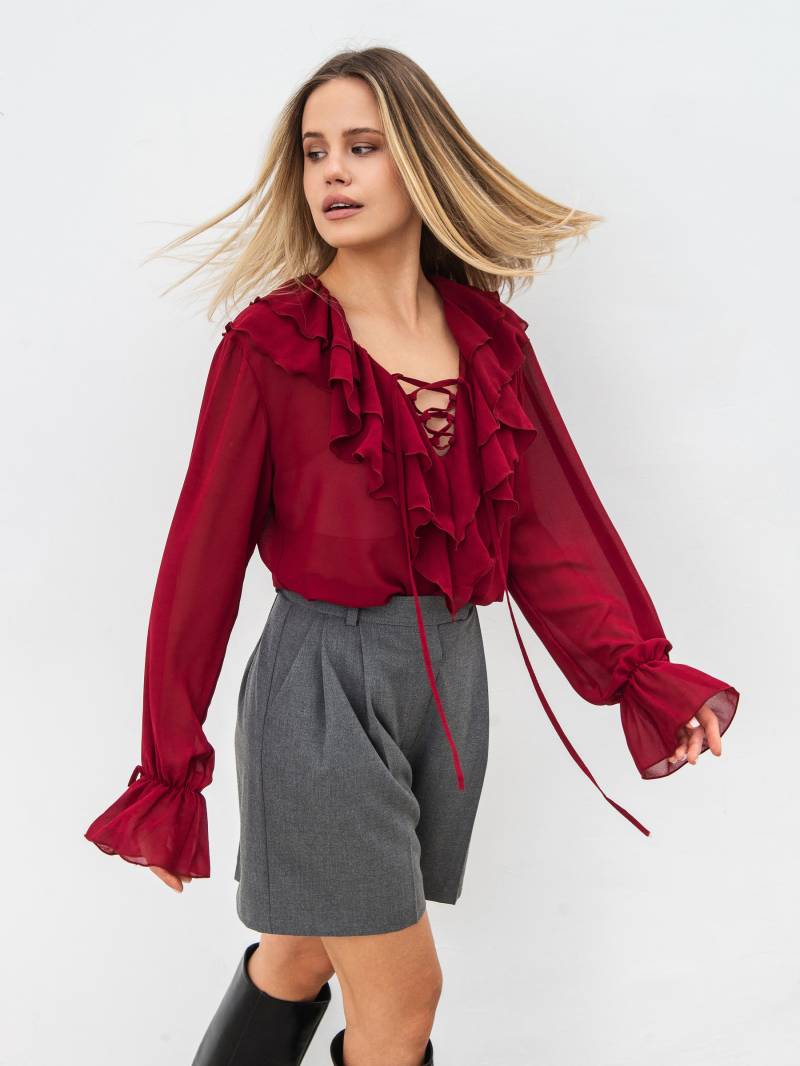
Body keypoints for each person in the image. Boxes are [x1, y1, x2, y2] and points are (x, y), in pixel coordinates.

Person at [83, 46, 740, 1066]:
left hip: (446, 684)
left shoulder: (489, 340)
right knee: (404, 996)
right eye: (314, 153)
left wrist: (639, 674)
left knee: (304, 949)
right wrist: (170, 771)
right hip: (316, 690)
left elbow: (550, 533)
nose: (332, 173)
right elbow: (198, 566)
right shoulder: (271, 345)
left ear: (420, 162)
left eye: (362, 147)